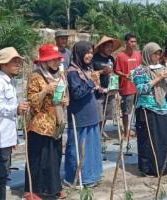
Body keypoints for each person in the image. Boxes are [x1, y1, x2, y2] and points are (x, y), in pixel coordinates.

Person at [0, 47, 30, 200]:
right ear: (3, 64)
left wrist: (13, 139)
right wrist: (16, 108)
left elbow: (9, 117)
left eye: (18, 61)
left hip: (5, 137)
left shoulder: (9, 82)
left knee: (0, 176)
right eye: (14, 61)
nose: (18, 64)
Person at [24, 44, 68, 199]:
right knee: (37, 159)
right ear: (45, 61)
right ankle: (33, 190)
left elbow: (64, 94)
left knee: (54, 158)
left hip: (56, 122)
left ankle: (54, 187)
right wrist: (45, 90)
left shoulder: (61, 75)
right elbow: (32, 102)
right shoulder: (35, 76)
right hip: (39, 124)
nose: (56, 62)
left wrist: (65, 100)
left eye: (58, 59)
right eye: (53, 59)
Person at [132, 42, 167, 177]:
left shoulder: (161, 68)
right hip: (147, 108)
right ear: (148, 54)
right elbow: (141, 89)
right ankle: (150, 168)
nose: (158, 56)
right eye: (155, 53)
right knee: (150, 139)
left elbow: (166, 87)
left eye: (159, 53)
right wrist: (158, 78)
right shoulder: (140, 70)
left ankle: (166, 164)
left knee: (166, 137)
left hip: (162, 106)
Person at [64, 41, 102, 187]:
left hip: (90, 115)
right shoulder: (72, 72)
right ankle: (77, 178)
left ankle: (91, 176)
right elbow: (77, 93)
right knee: (78, 148)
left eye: (91, 52)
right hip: (79, 116)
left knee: (91, 149)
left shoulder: (86, 69)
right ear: (79, 53)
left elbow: (90, 89)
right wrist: (92, 82)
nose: (90, 55)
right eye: (87, 52)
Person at [92, 36, 122, 136]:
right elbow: (90, 74)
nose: (110, 49)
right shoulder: (94, 59)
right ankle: (96, 134)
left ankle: (100, 132)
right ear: (101, 47)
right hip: (98, 92)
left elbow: (113, 72)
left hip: (109, 91)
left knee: (106, 115)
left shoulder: (111, 59)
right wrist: (102, 71)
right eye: (108, 46)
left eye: (111, 47)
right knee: (98, 115)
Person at [115, 33, 142, 138]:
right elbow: (116, 70)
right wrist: (124, 75)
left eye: (135, 42)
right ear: (126, 42)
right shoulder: (120, 56)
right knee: (126, 111)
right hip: (126, 88)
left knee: (139, 110)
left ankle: (138, 130)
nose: (133, 44)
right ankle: (126, 131)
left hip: (138, 87)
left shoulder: (138, 55)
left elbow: (141, 68)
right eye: (131, 41)